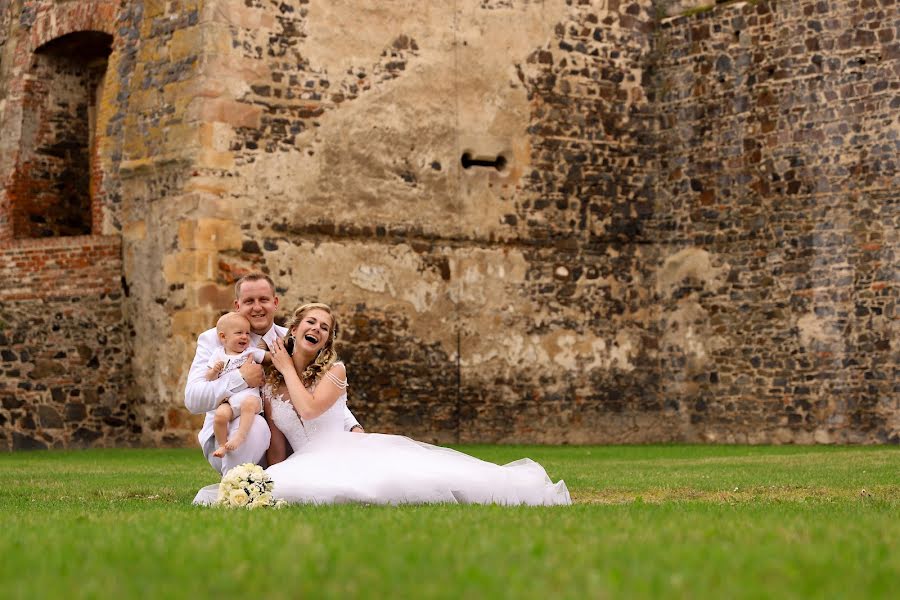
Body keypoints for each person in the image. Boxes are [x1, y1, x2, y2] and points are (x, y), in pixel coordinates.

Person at [193, 302, 570, 506]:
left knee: (411, 483)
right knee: (281, 489)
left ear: (327, 340)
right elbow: (276, 441)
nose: (317, 329)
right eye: (311, 322)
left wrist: (284, 364)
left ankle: (515, 490)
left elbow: (308, 409)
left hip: (346, 449)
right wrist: (269, 474)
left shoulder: (335, 370)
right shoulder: (273, 383)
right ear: (294, 330)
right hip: (305, 458)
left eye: (325, 327)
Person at [184, 274, 364, 476]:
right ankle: (236, 486)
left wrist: (352, 425)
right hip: (229, 435)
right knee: (257, 426)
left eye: (264, 300)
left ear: (275, 302)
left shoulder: (293, 339)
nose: (257, 307)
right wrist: (241, 378)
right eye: (249, 301)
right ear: (237, 305)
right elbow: (193, 399)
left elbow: (321, 386)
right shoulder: (216, 338)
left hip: (286, 444)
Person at [207, 312, 267, 458]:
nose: (245, 337)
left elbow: (268, 357)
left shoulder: (250, 352)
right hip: (229, 399)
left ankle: (240, 436)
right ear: (223, 337)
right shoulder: (218, 355)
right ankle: (222, 444)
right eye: (239, 333)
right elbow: (208, 378)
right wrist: (214, 371)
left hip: (250, 396)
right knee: (220, 416)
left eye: (247, 333)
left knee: (248, 406)